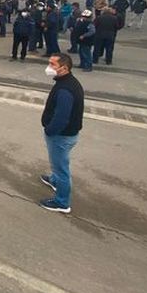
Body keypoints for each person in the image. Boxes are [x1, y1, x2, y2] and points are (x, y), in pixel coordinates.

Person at [39, 53, 84, 213]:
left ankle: (62, 202)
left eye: (53, 65)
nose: (49, 67)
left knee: (61, 168)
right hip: (67, 134)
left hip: (62, 136)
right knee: (58, 164)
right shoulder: (67, 82)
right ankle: (54, 180)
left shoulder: (65, 89)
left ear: (64, 68)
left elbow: (62, 118)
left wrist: (49, 130)